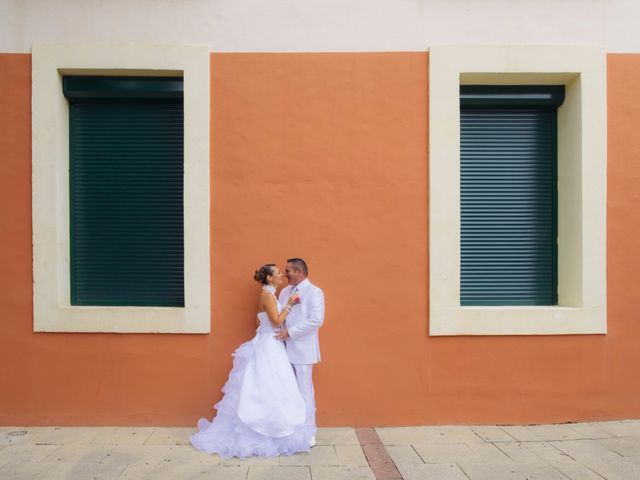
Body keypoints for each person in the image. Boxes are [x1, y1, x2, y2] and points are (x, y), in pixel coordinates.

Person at [191, 264, 314, 458]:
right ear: (270, 278)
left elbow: (259, 321)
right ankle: (265, 430)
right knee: (268, 384)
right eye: (278, 273)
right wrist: (290, 303)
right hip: (269, 344)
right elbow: (275, 320)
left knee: (274, 386)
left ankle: (275, 429)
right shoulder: (267, 295)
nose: (282, 274)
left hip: (269, 341)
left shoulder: (269, 294)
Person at [275, 258, 325, 447]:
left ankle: (308, 431)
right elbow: (280, 316)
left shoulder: (314, 292)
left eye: (288, 271)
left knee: (304, 390)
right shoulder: (284, 291)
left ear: (299, 272)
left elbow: (316, 320)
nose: (285, 273)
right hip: (282, 349)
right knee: (287, 390)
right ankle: (290, 430)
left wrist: (290, 332)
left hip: (303, 350)